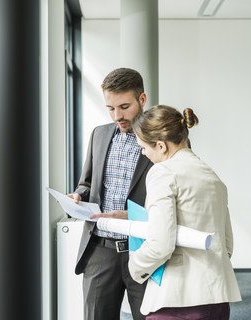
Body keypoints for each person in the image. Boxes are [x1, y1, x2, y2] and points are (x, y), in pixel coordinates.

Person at [128, 105, 242, 319]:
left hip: (177, 300)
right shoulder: (212, 176)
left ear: (161, 146)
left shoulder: (162, 172)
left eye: (143, 148)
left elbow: (160, 245)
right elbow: (226, 245)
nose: (144, 154)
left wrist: (135, 264)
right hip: (217, 299)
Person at [68, 68, 153, 320]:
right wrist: (78, 196)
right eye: (111, 108)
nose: (118, 115)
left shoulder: (163, 138)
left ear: (142, 99)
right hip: (100, 250)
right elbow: (86, 184)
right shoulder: (99, 134)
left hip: (145, 250)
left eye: (124, 106)